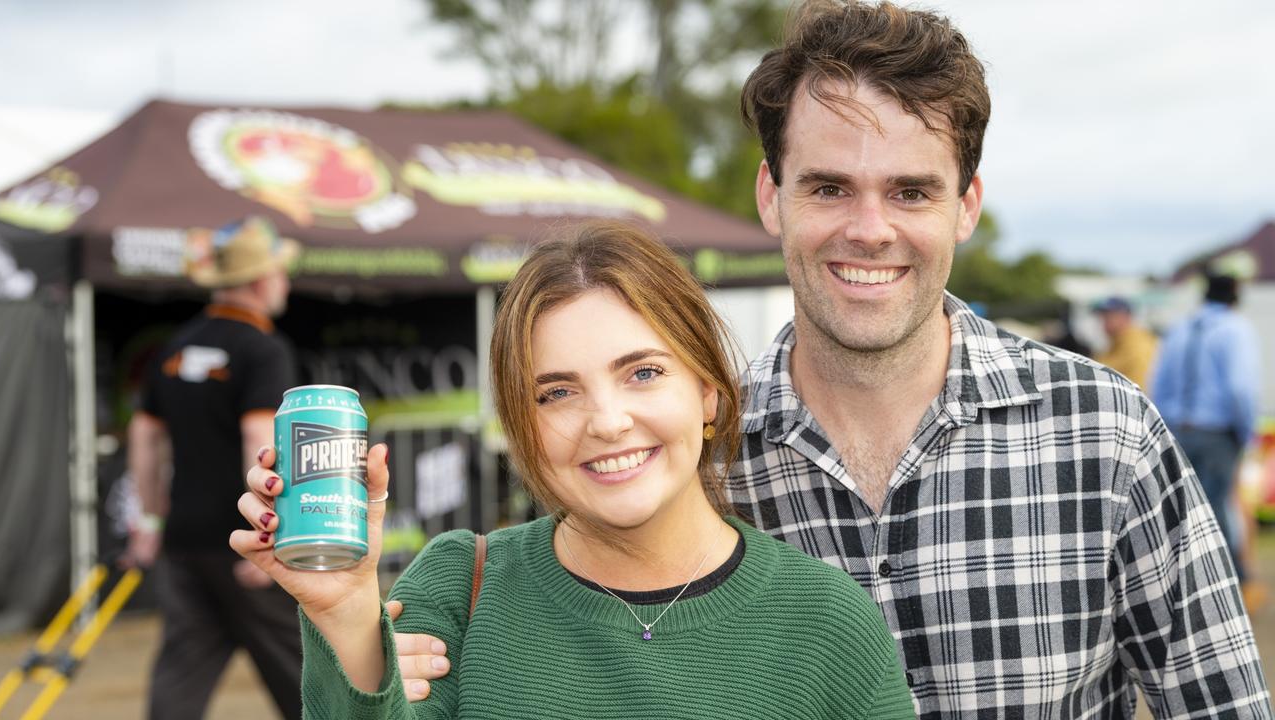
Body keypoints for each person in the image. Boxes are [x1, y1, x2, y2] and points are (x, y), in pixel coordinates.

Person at [397, 3, 1271, 715]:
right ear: (770, 195)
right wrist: (382, 645)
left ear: (965, 205)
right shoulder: (683, 454)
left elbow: (1221, 705)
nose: (869, 229)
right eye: (828, 187)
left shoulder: (1103, 432)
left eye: (911, 191)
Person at [231, 221, 916, 719]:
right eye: (556, 392)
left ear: (708, 390)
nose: (606, 420)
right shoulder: (458, 589)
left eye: (643, 373)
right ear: (521, 424)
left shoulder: (827, 622)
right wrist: (348, 614)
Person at [125, 216, 302, 719]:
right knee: (307, 672)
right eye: (280, 272)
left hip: (184, 539)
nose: (284, 283)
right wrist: (264, 533)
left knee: (181, 675)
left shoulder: (175, 347)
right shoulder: (263, 348)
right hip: (244, 542)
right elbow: (259, 438)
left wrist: (151, 520)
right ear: (260, 280)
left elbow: (145, 439)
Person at [1152, 274, 1262, 591]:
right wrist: (1246, 433)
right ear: (1235, 296)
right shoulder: (1234, 328)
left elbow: (1158, 382)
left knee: (1181, 509)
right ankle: (1225, 582)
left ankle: (1184, 581)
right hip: (1217, 432)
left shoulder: (1180, 328)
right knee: (1216, 508)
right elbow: (1241, 387)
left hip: (1177, 430)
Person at [1092, 295, 1158, 388]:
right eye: (1103, 316)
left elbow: (1142, 389)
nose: (1105, 321)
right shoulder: (1116, 343)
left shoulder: (1137, 345)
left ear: (1126, 316)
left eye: (1111, 316)